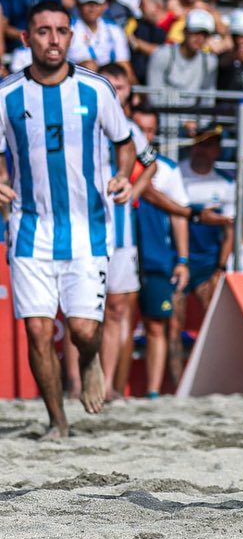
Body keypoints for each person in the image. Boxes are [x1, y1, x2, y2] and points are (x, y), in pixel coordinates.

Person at [0, 0, 134, 437]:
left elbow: (126, 141)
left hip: (88, 229)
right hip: (29, 229)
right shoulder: (7, 95)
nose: (53, 39)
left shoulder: (96, 89)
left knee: (81, 329)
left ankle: (91, 358)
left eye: (61, 31)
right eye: (43, 31)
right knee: (39, 331)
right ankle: (57, 422)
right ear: (26, 39)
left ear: (71, 37)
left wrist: (121, 173)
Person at [62, 63, 157, 401]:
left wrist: (135, 188)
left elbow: (150, 163)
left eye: (122, 87)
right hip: (81, 227)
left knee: (118, 309)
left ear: (130, 92)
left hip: (120, 233)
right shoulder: (75, 120)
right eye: (110, 86)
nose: (116, 92)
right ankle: (75, 383)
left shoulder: (130, 128)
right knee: (78, 311)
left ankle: (111, 387)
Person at [128, 105, 191, 397]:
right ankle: (110, 390)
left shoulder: (167, 168)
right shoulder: (110, 161)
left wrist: (182, 259)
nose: (145, 135)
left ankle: (153, 393)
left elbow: (180, 216)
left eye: (151, 130)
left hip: (155, 256)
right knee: (118, 321)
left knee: (158, 326)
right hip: (121, 251)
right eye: (140, 129)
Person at [179, 123, 235, 321]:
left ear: (218, 150)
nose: (203, 149)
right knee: (173, 324)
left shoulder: (226, 183)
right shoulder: (177, 175)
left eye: (210, 144)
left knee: (212, 320)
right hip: (178, 259)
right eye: (200, 143)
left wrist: (220, 268)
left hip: (208, 263)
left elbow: (230, 231)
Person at [68, 0, 133, 77]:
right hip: (76, 83)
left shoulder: (115, 30)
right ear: (78, 4)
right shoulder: (68, 29)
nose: (92, 7)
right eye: (87, 2)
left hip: (109, 82)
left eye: (97, 3)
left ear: (105, 5)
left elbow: (125, 66)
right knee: (89, 66)